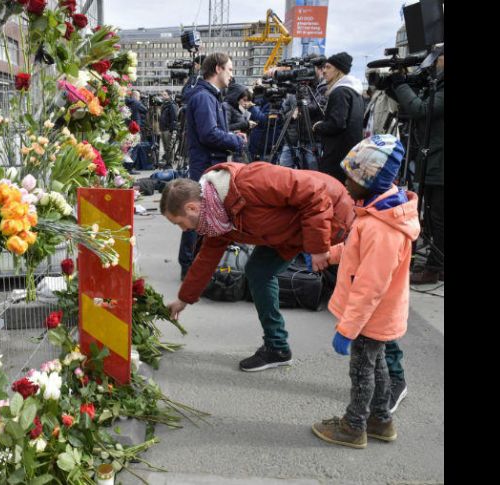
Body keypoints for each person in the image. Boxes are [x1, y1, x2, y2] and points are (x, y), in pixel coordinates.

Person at [162, 161, 355, 371]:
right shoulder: (215, 217)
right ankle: (277, 348)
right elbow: (206, 258)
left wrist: (318, 246)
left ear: (192, 207)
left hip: (333, 215)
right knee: (258, 272)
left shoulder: (249, 182)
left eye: (179, 222)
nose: (183, 229)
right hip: (290, 232)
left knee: (367, 291)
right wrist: (184, 299)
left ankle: (388, 365)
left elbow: (315, 193)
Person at [311, 134, 420, 449]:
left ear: (372, 181)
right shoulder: (375, 211)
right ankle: (380, 420)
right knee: (378, 364)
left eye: (353, 177)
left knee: (362, 372)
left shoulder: (380, 228)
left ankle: (353, 426)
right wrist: (331, 254)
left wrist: (348, 328)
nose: (345, 182)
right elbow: (355, 250)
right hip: (376, 316)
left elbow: (371, 286)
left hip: (369, 317)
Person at [177, 52, 248, 281]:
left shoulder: (209, 96)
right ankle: (189, 267)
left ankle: (194, 265)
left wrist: (228, 135)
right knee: (196, 214)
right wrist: (235, 140)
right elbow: (208, 134)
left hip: (208, 163)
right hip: (205, 165)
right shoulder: (205, 97)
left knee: (201, 214)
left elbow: (211, 132)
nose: (231, 74)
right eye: (229, 69)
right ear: (217, 69)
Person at [392, 45, 444, 285]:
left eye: (436, 59)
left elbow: (421, 110)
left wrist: (402, 85)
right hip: (432, 159)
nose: (432, 64)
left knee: (438, 217)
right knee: (433, 216)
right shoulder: (435, 85)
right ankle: (435, 262)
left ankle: (435, 266)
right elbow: (411, 109)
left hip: (439, 162)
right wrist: (396, 86)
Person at [312, 52, 365, 184]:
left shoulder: (340, 92)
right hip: (349, 155)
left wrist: (318, 126)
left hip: (336, 157)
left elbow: (337, 124)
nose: (324, 71)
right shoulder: (354, 91)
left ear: (338, 71)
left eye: (328, 67)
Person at [222, 83, 255, 163]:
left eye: (248, 100)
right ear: (236, 97)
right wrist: (246, 124)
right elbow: (225, 128)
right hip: (233, 151)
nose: (246, 103)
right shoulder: (227, 107)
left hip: (239, 149)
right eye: (244, 100)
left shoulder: (236, 108)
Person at [159, 90, 179, 167]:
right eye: (162, 95)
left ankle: (169, 163)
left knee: (169, 147)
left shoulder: (171, 105)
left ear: (169, 95)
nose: (163, 96)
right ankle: (167, 161)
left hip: (168, 129)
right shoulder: (164, 105)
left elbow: (174, 118)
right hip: (163, 128)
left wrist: (173, 130)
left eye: (164, 95)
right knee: (165, 147)